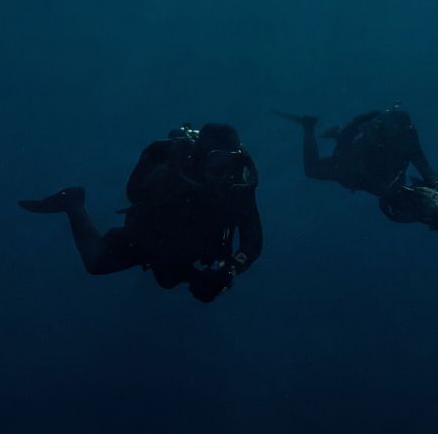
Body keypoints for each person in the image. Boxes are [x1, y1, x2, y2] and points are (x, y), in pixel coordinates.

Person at [19, 122, 262, 302]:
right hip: (151, 234)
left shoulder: (239, 186)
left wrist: (230, 269)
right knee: (96, 262)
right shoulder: (173, 162)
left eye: (230, 163)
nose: (223, 173)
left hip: (187, 247)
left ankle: (73, 203)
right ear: (200, 156)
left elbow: (253, 240)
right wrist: (172, 185)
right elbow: (135, 193)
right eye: (217, 162)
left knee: (173, 279)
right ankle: (73, 203)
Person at [278, 106, 438, 232]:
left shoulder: (425, 200)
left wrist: (392, 187)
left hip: (368, 165)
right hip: (366, 166)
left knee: (320, 167)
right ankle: (315, 127)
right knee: (314, 169)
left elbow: (388, 203)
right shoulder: (424, 203)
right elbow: (414, 158)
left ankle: (332, 131)